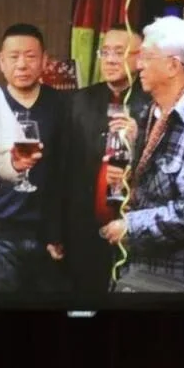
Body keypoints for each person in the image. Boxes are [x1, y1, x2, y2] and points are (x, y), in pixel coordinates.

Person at [102, 16, 184, 284]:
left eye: (147, 57)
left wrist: (131, 226)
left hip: (183, 280)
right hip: (142, 269)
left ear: (173, 65)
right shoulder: (151, 113)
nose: (138, 65)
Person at [54, 23, 149, 294]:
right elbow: (62, 168)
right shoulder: (78, 101)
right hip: (83, 225)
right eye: (105, 52)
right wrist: (56, 230)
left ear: (140, 58)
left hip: (133, 225)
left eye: (119, 52)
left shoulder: (152, 104)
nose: (110, 60)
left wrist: (138, 139)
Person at [0, 24, 68, 293]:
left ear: (45, 60)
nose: (22, 64)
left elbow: (67, 171)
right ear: (1, 61)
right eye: (14, 57)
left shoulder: (64, 106)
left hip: (47, 234)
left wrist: (58, 231)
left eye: (30, 56)